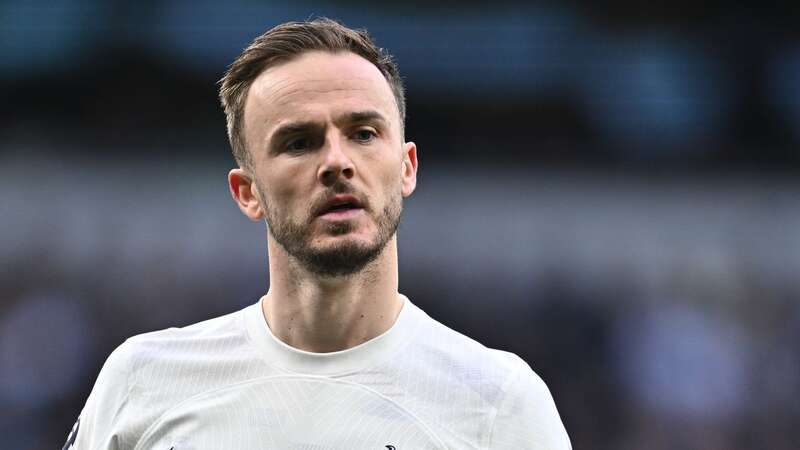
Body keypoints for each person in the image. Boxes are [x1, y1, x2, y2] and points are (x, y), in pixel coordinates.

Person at [65, 18, 571, 449]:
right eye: (299, 142)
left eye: (364, 133)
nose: (336, 162)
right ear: (248, 192)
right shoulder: (143, 380)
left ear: (407, 167)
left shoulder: (500, 404)